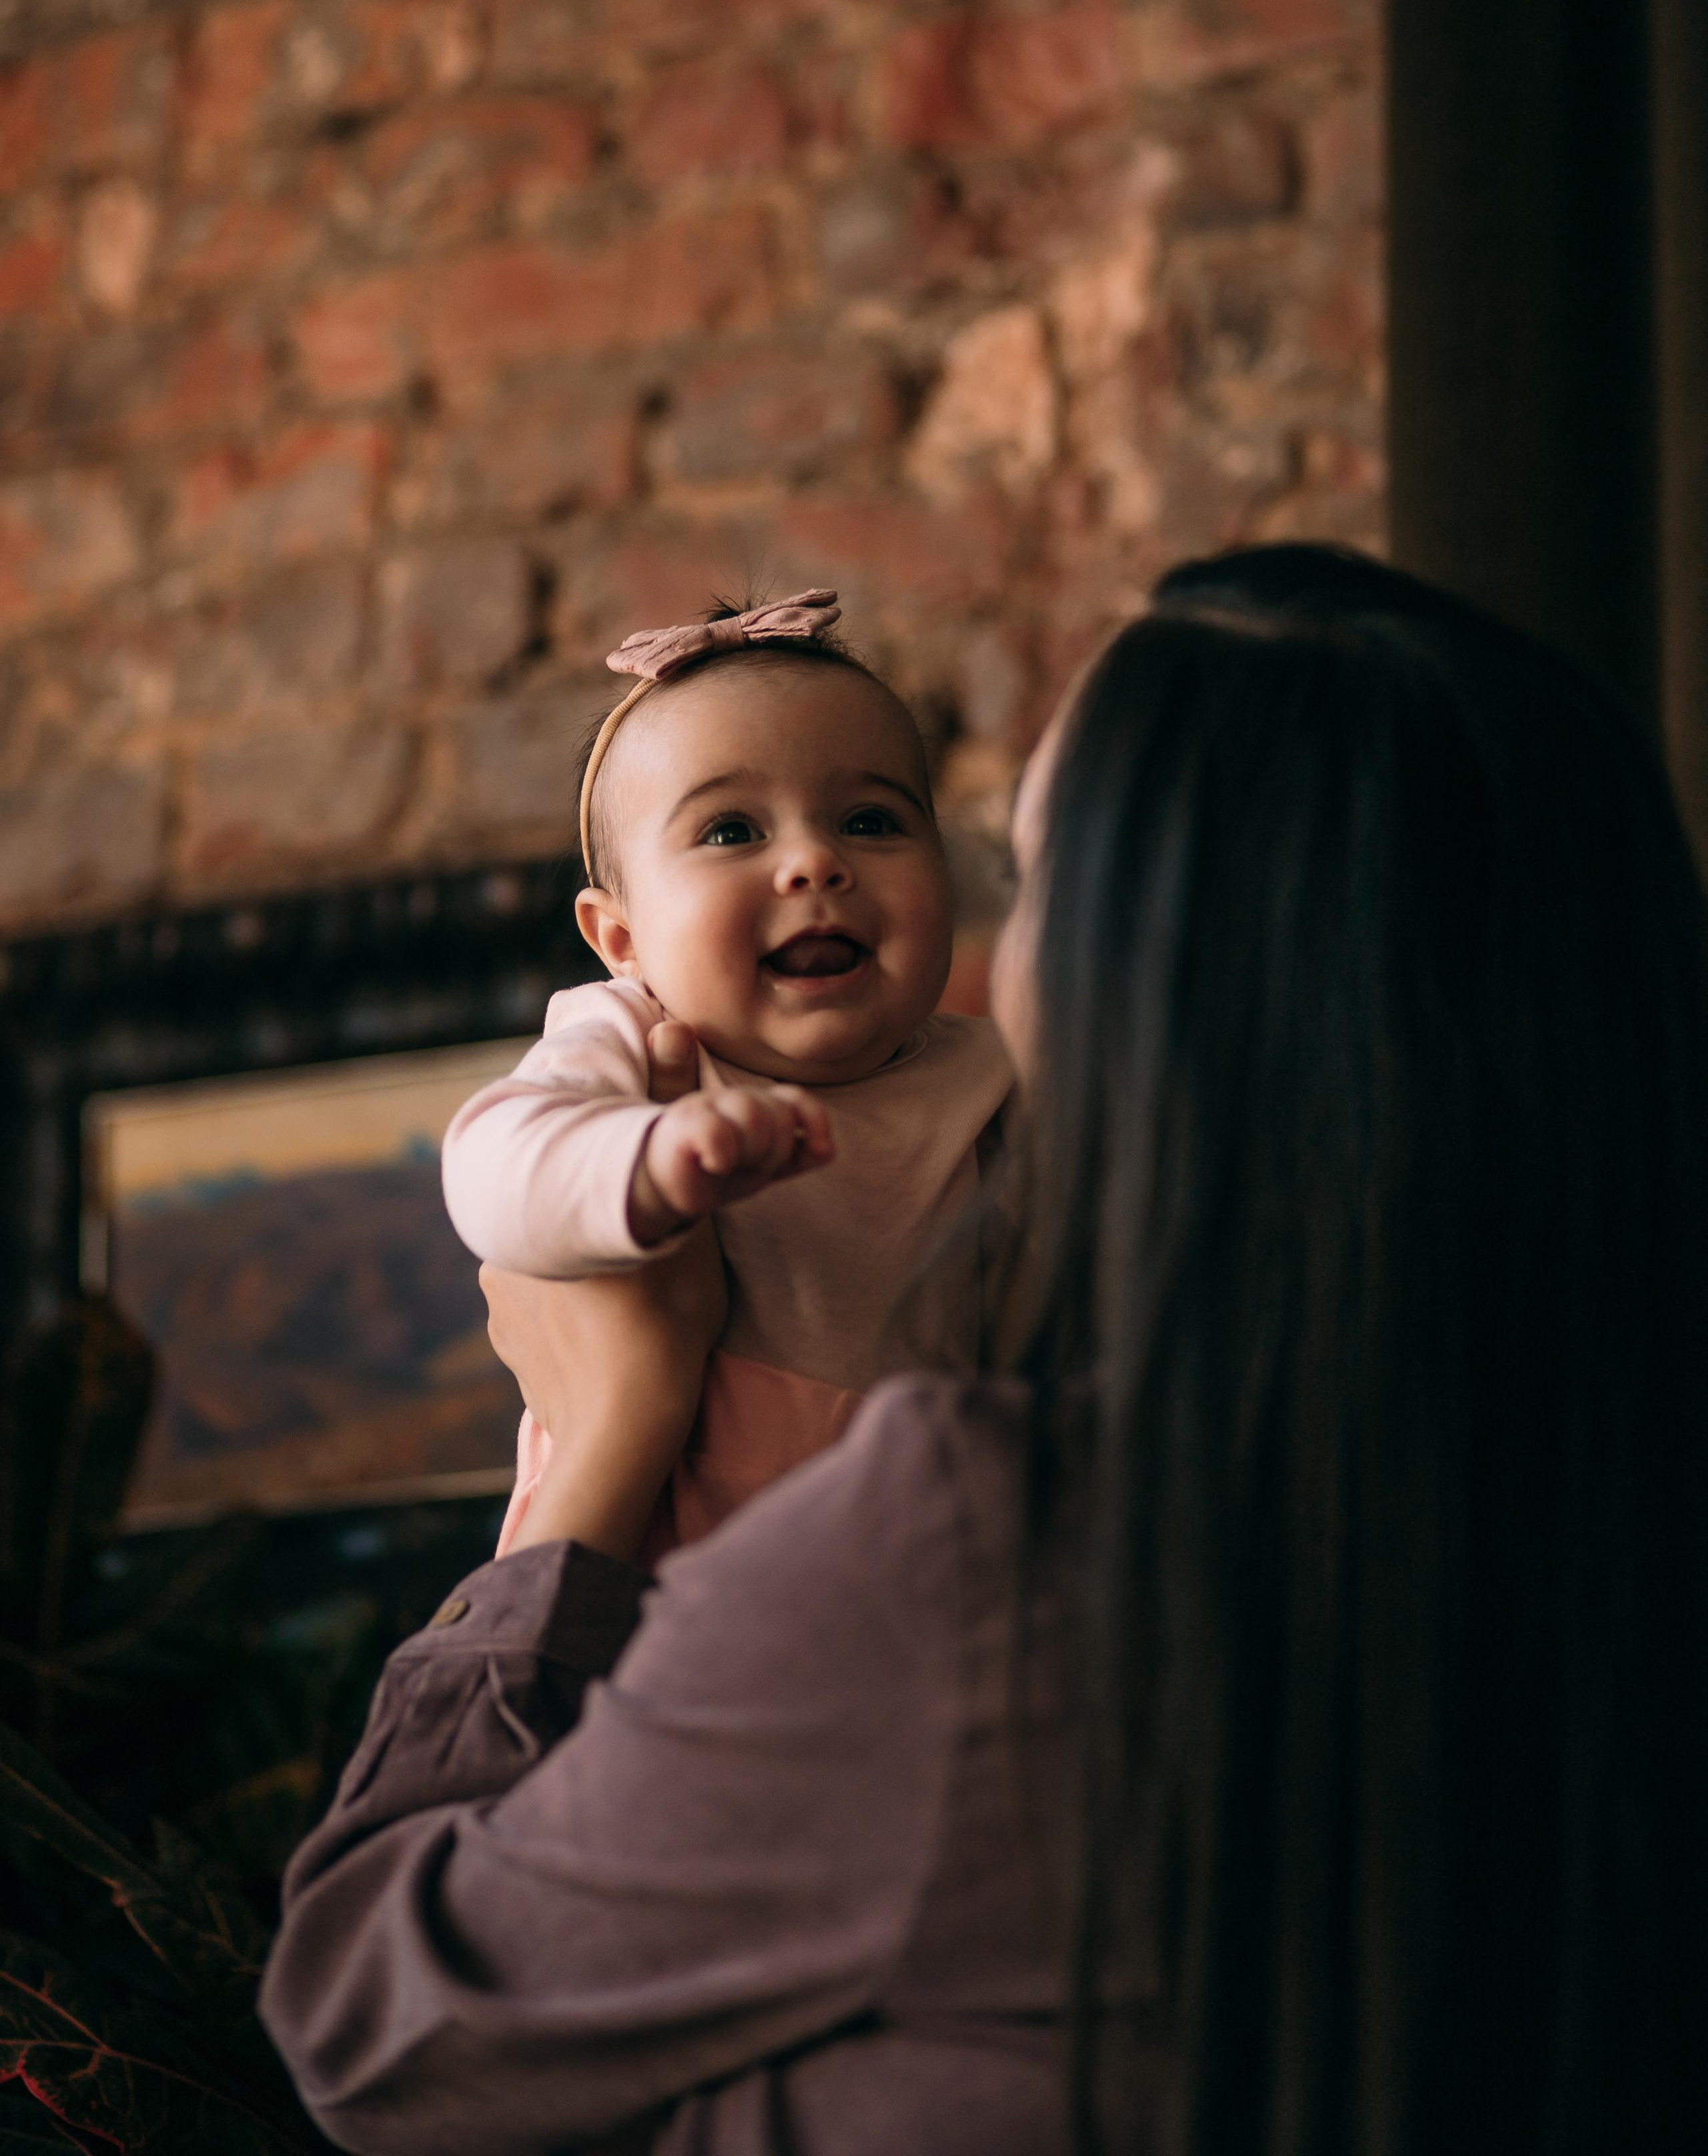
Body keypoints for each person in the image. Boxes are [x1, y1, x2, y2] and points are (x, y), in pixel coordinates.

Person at [262, 546, 1708, 2155]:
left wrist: (605, 1433)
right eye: (732, 830)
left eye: (1007, 873)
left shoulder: (989, 1554)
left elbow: (379, 2029)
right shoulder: (1607, 1520)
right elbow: (512, 1153)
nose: (825, 872)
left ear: (1162, 994)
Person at [440, 586, 1012, 1555]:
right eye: (732, 831)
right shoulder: (632, 1047)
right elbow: (489, 1174)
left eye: (871, 821)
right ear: (620, 939)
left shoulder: (994, 1073)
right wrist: (645, 1163)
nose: (814, 864)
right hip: (671, 1537)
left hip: (939, 1532)